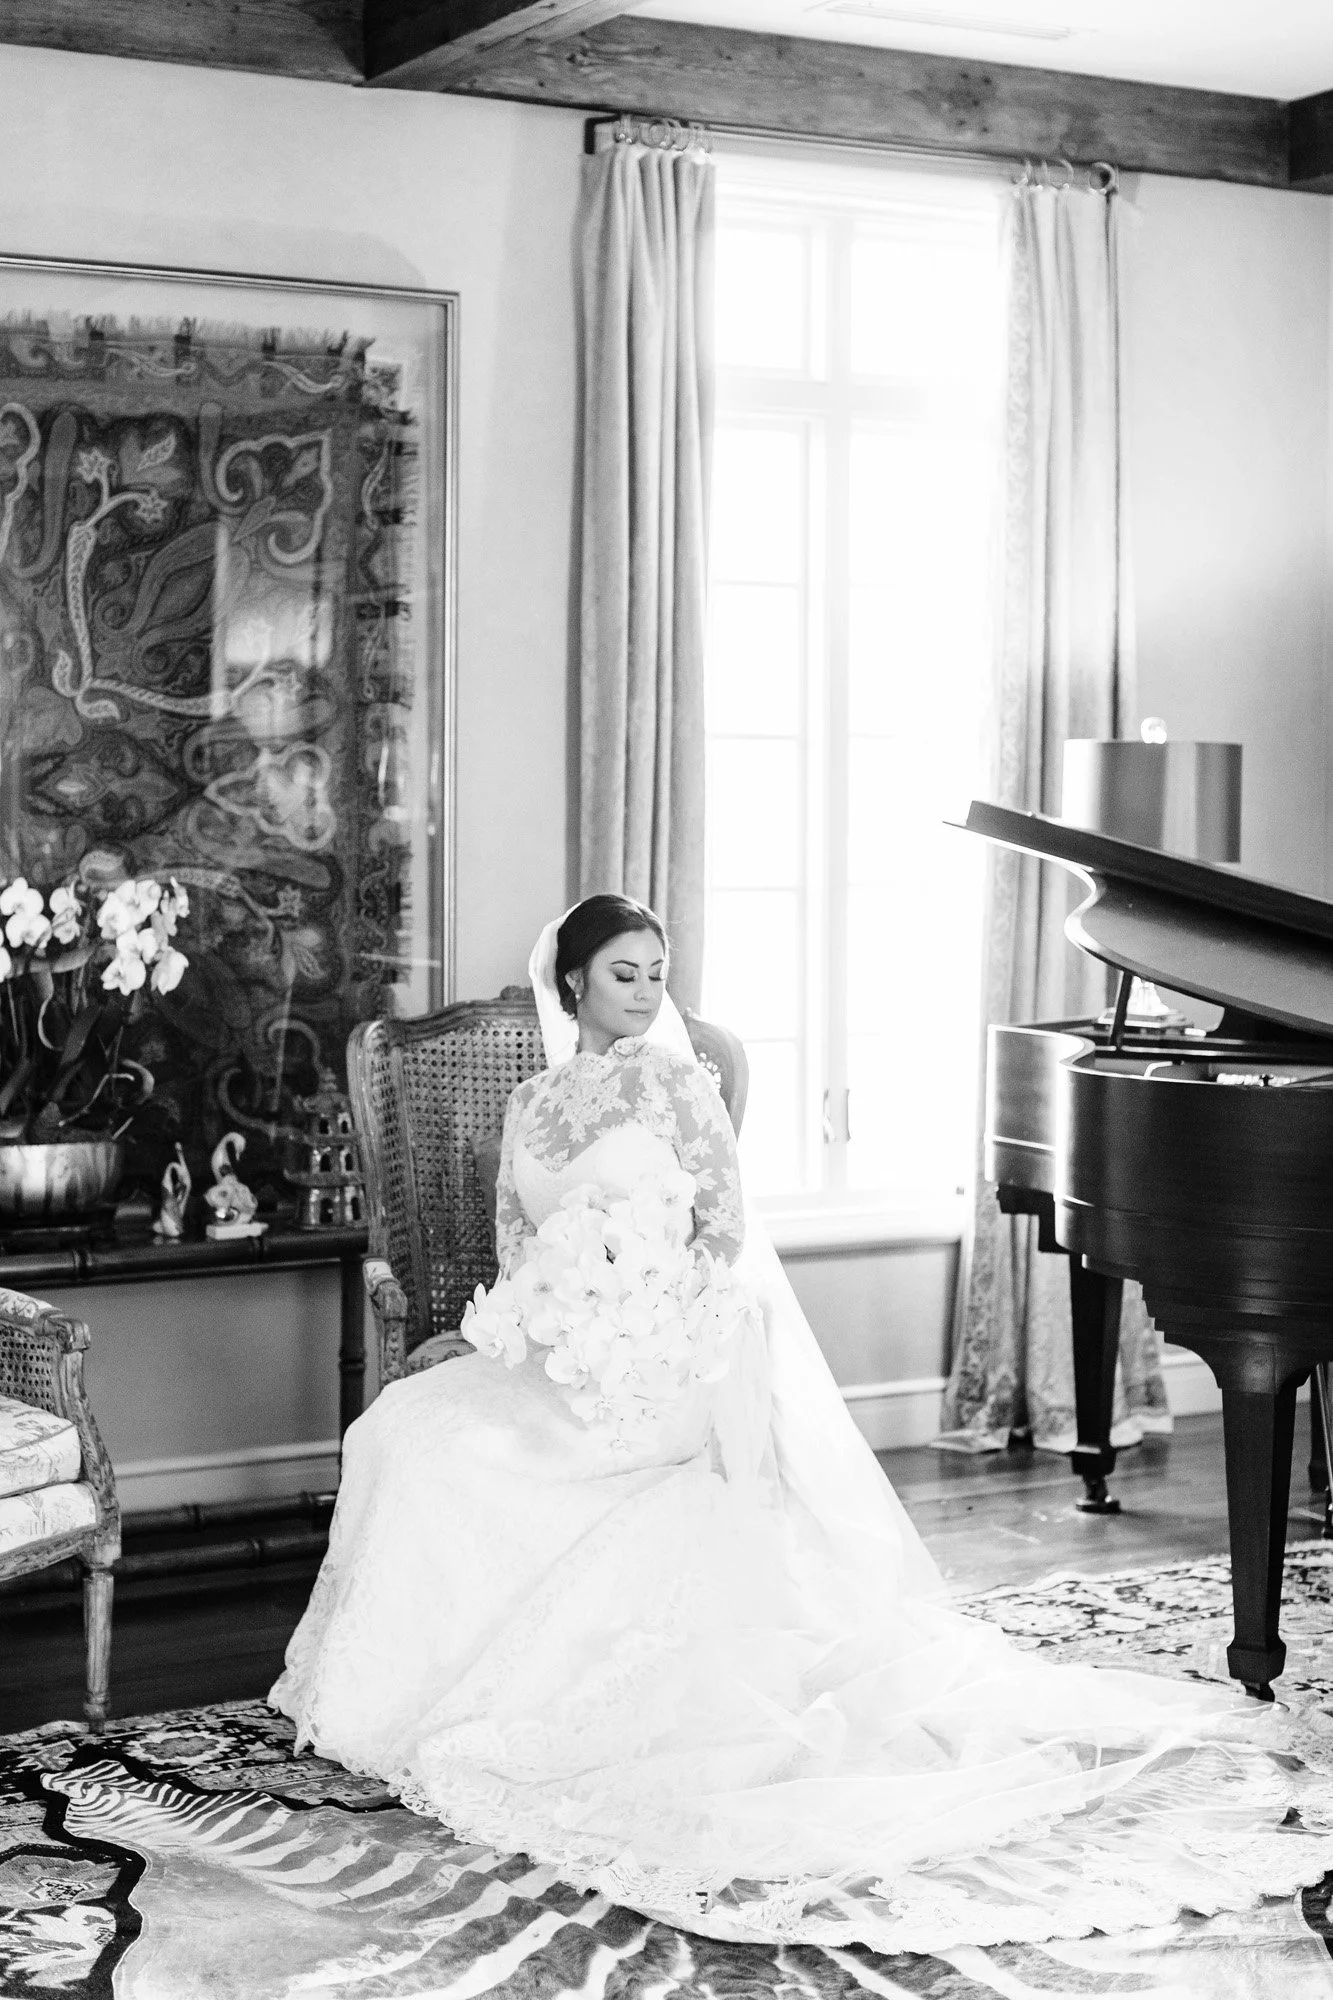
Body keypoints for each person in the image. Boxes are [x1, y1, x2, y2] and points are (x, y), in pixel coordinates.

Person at [271, 894, 1333, 1956]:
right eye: (624, 973)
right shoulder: (533, 1101)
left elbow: (721, 1241)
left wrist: (645, 1324)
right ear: (574, 984)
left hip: (672, 1357)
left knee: (494, 1452)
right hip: (563, 1350)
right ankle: (408, 1691)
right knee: (411, 1431)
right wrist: (524, 1326)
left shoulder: (683, 1090)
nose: (646, 991)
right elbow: (515, 1247)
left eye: (656, 970)